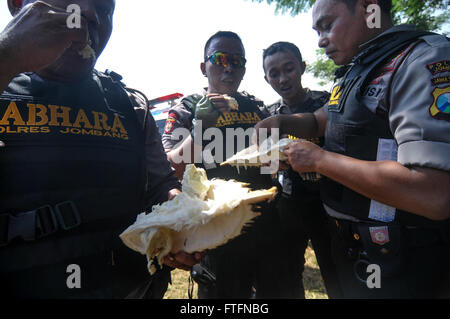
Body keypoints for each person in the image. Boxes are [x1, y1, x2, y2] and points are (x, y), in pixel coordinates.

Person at [0, 0, 201, 298]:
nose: (90, 14)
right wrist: (7, 54)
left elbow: (160, 186)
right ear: (19, 5)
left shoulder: (130, 106)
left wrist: (181, 223)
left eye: (104, 6)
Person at [255, 0, 450, 298]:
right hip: (354, 251)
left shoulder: (420, 59)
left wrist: (319, 160)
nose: (320, 40)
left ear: (369, 10)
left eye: (327, 25)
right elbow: (322, 119)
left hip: (405, 262)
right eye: (316, 30)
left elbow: (433, 193)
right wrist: (281, 121)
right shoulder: (356, 70)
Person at [162, 31, 293, 298]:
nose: (229, 68)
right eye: (220, 59)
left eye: (237, 61)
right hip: (216, 233)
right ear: (204, 67)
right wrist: (201, 131)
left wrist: (282, 160)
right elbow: (169, 170)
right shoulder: (187, 109)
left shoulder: (256, 107)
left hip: (265, 225)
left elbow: (277, 161)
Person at [262, 41, 342, 298]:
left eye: (289, 69)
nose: (283, 78)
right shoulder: (269, 113)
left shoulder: (327, 102)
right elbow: (266, 160)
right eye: (274, 73)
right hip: (289, 207)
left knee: (336, 274)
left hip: (329, 204)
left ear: (303, 68)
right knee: (287, 278)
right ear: (266, 78)